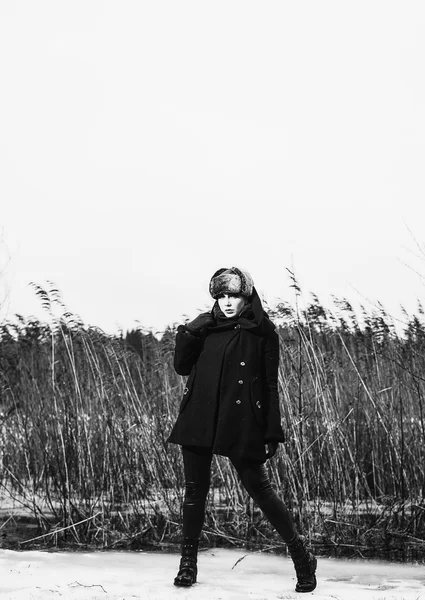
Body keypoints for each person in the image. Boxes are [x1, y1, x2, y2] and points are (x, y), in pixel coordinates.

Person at [167, 267, 317, 593]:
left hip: (242, 420)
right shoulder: (206, 328)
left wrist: (271, 431)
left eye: (233, 295)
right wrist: (191, 330)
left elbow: (269, 385)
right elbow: (181, 367)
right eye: (221, 296)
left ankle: (301, 556)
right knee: (195, 492)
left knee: (260, 490)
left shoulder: (262, 332)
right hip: (199, 416)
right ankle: (188, 563)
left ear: (246, 295)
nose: (227, 302)